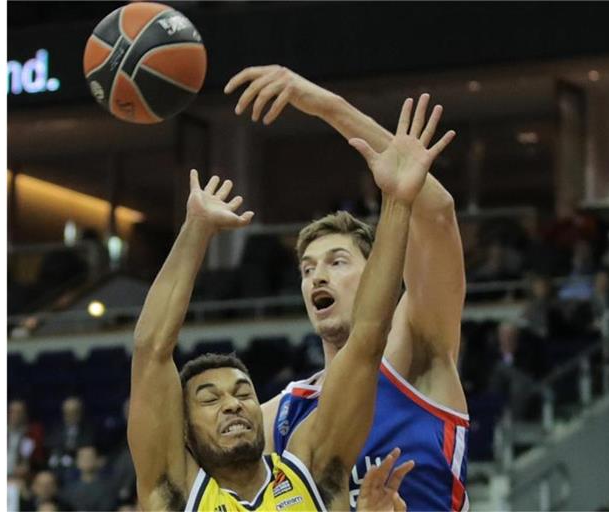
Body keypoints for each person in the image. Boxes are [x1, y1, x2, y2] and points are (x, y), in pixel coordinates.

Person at [128, 99, 454, 511]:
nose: (232, 404)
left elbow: (369, 337)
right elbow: (151, 349)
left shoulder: (313, 473)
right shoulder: (174, 494)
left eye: (243, 393)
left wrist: (397, 203)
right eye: (209, 400)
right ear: (186, 436)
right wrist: (196, 230)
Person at [226, 68, 470, 511]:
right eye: (307, 269)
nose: (317, 276)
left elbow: (436, 217)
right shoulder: (279, 415)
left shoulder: (416, 352)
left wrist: (325, 105)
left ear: (379, 273)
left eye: (337, 262)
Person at [59, 445, 118, 512]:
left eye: (89, 457)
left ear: (98, 461)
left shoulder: (107, 488)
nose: (86, 460)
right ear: (77, 461)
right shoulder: (69, 489)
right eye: (82, 457)